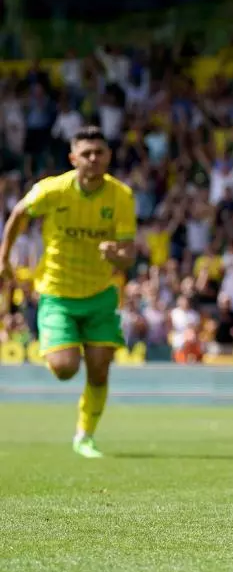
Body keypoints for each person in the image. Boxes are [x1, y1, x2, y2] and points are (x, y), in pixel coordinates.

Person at [0, 126, 136, 458]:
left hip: (100, 293)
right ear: (73, 158)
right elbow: (19, 213)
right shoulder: (53, 190)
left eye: (99, 153)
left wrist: (115, 255)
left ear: (108, 156)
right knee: (65, 369)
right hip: (58, 292)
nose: (93, 159)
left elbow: (129, 254)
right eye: (86, 154)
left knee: (100, 368)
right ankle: (53, 343)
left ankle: (84, 436)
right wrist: (3, 258)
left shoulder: (121, 196)